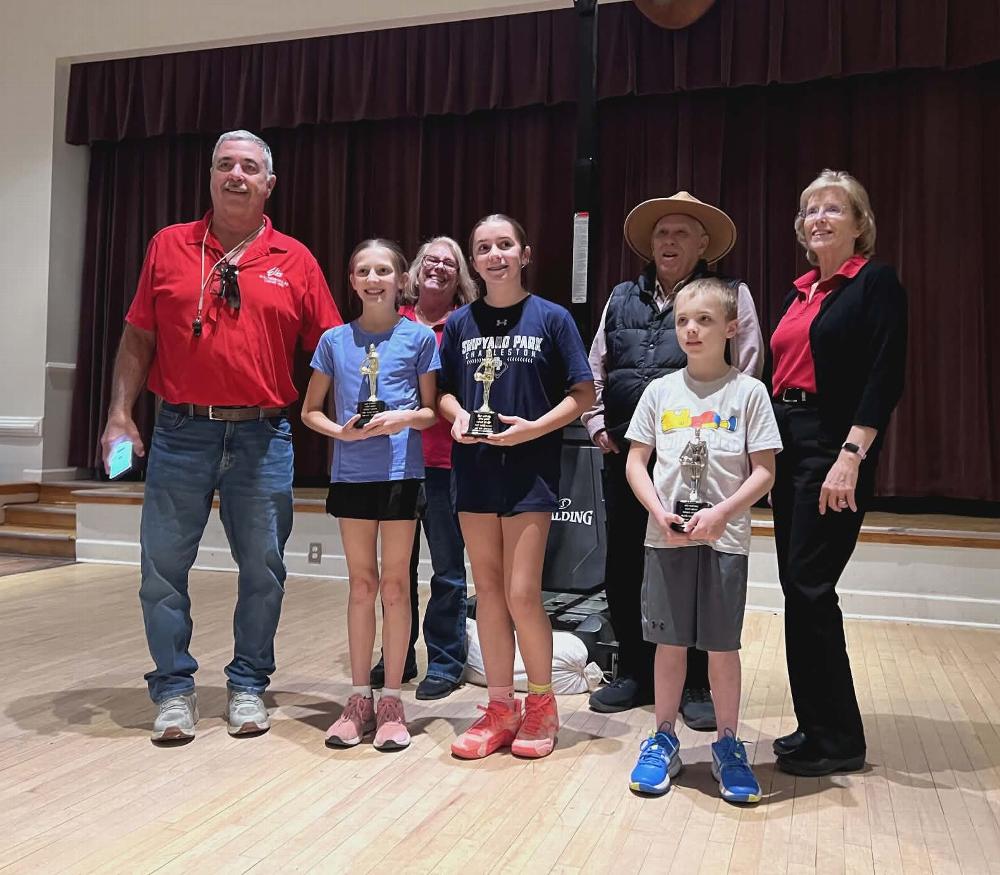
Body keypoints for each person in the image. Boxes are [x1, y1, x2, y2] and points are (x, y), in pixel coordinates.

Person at [99, 130, 342, 742]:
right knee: (161, 569)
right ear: (210, 177)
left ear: (269, 184)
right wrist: (119, 414)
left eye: (250, 167)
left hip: (264, 437)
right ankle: (175, 689)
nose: (237, 174)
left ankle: (248, 685)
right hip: (181, 432)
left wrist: (348, 417)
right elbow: (137, 337)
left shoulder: (296, 259)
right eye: (225, 165)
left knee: (263, 569)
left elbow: (333, 349)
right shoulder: (169, 245)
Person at [583, 192, 764, 726]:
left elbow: (749, 369)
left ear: (704, 244)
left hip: (706, 460)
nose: (669, 242)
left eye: (683, 233)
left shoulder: (731, 295)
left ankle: (700, 685)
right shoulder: (621, 297)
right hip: (630, 457)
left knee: (701, 564)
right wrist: (596, 424)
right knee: (625, 564)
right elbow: (597, 362)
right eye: (662, 233)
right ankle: (636, 672)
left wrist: (734, 443)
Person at [438, 214, 595, 759]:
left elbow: (583, 394)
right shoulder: (459, 323)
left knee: (522, 593)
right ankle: (499, 708)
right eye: (484, 247)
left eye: (505, 245)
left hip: (530, 472)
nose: (495, 255)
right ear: (474, 261)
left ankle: (542, 705)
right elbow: (444, 394)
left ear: (524, 254)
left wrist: (534, 429)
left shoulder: (552, 319)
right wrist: (458, 414)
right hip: (474, 473)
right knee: (488, 592)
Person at [769, 170, 907, 776]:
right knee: (799, 595)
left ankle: (841, 740)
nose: (818, 218)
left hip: (832, 442)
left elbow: (885, 373)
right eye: (810, 210)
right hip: (788, 442)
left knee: (810, 587)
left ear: (859, 224)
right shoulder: (802, 293)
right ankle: (815, 726)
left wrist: (852, 454)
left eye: (833, 209)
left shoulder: (874, 283)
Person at [624, 277, 782, 801]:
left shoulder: (749, 392)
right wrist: (657, 510)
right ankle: (663, 736)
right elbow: (635, 462)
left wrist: (721, 514)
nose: (691, 330)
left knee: (721, 646)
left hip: (725, 540)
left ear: (731, 328)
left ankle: (728, 743)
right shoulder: (659, 391)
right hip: (665, 537)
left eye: (705, 320)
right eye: (683, 321)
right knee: (669, 644)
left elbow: (763, 472)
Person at [302, 239, 439, 751]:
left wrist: (402, 417)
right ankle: (358, 697)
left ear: (400, 279)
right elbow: (310, 410)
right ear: (353, 280)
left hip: (402, 475)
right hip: (352, 475)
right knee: (361, 585)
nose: (374, 278)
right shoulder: (334, 341)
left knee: (396, 586)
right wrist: (343, 433)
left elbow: (430, 410)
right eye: (364, 270)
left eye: (384, 269)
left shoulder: (420, 338)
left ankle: (391, 700)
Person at [368, 236, 478, 699]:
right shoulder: (392, 320)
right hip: (394, 461)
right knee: (396, 569)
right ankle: (398, 655)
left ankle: (446, 660)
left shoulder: (467, 324)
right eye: (430, 260)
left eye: (448, 263)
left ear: (460, 275)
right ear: (414, 269)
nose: (437, 268)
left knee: (448, 569)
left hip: (447, 462)